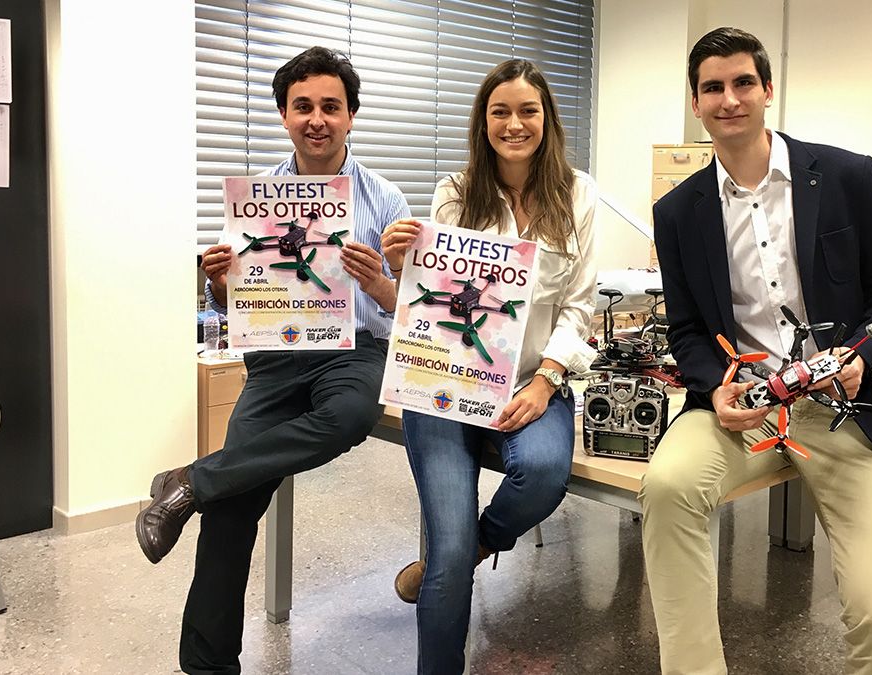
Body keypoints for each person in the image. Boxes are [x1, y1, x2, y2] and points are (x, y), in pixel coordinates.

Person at [641, 28, 872, 674]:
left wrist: (864, 361)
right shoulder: (678, 212)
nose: (729, 99)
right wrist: (715, 387)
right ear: (696, 102)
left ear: (768, 89)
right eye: (713, 87)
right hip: (746, 406)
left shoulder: (847, 175)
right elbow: (686, 329)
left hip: (844, 406)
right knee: (668, 486)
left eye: (743, 83)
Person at [135, 46, 410, 674]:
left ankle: (189, 481)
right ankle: (207, 667)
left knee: (347, 418)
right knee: (230, 516)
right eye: (303, 106)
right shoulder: (259, 203)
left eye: (330, 107)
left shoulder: (386, 200)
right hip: (278, 357)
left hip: (354, 352)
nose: (317, 118)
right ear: (285, 116)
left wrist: (381, 285)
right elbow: (237, 303)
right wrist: (223, 281)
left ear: (351, 116)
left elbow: (410, 314)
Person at [380, 58, 598, 675]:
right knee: (445, 552)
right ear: (484, 121)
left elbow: (579, 305)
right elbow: (437, 299)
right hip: (448, 385)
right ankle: (452, 566)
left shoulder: (579, 193)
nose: (514, 123)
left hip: (536, 380)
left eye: (528, 110)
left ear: (547, 118)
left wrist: (546, 379)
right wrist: (404, 265)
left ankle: (480, 543)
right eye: (499, 111)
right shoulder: (455, 191)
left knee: (544, 472)